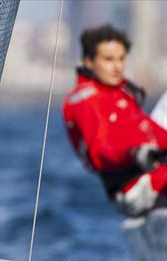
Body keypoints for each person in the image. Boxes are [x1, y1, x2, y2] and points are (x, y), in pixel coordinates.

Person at [62, 25, 167, 217]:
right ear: (89, 61)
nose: (118, 66)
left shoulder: (123, 94)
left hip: (156, 177)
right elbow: (101, 149)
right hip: (131, 189)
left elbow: (153, 132)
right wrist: (134, 153)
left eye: (121, 59)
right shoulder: (84, 100)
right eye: (108, 60)